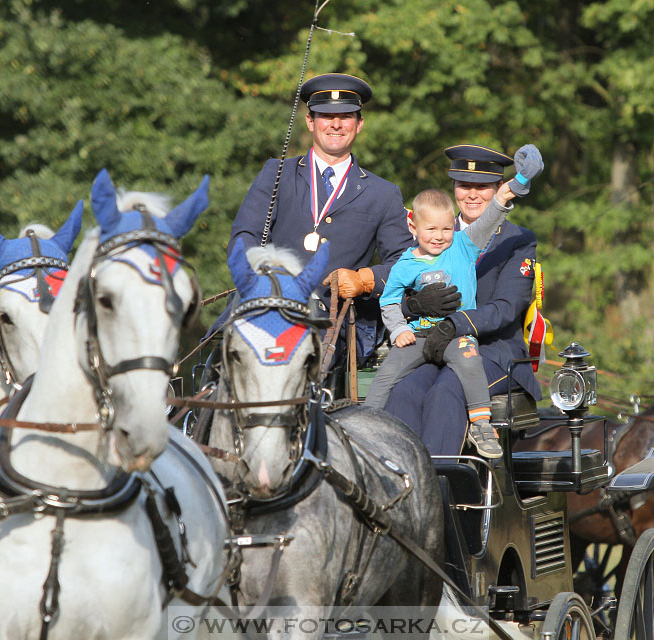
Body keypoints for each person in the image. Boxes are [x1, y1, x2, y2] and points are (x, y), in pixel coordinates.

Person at [228, 73, 413, 362]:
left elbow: (405, 262)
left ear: (359, 124)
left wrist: (366, 279)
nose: (336, 124)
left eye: (346, 116)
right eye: (326, 115)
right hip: (268, 306)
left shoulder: (384, 193)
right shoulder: (277, 174)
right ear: (310, 122)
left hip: (333, 325)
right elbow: (244, 237)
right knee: (218, 359)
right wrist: (264, 279)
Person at [384, 144, 544, 457]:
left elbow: (506, 308)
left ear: (499, 188)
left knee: (448, 389)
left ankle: (439, 487)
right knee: (404, 391)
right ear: (453, 188)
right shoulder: (434, 235)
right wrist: (414, 305)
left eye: (482, 187)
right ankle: (396, 480)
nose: (472, 194)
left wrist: (455, 323)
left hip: (494, 351)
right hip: (437, 347)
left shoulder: (518, 240)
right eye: (464, 185)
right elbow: (396, 295)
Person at [365, 186, 520, 457]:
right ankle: (367, 427)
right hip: (418, 336)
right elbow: (388, 301)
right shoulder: (404, 264)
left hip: (455, 334)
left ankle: (481, 424)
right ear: (413, 227)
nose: (439, 237)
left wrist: (502, 198)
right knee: (386, 376)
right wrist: (399, 328)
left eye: (446, 229)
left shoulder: (463, 245)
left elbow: (487, 222)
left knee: (470, 361)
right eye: (431, 230)